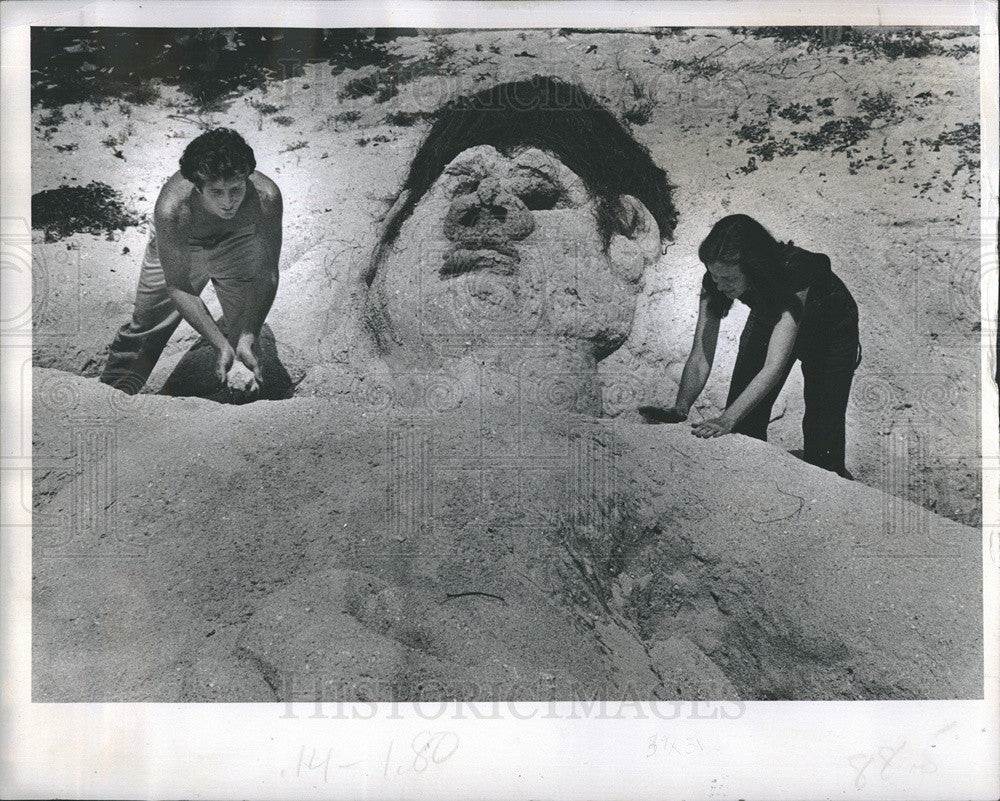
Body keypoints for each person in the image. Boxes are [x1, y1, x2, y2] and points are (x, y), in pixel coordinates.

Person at [640, 214, 861, 478]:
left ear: (754, 268)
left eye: (729, 280)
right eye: (714, 276)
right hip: (770, 315)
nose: (719, 285)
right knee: (744, 425)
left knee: (823, 439)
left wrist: (726, 418)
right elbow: (701, 354)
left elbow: (773, 366)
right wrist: (681, 408)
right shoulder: (719, 277)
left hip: (830, 331)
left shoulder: (796, 271)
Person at [99, 127, 282, 397]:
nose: (229, 202)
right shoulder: (172, 209)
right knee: (147, 327)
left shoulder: (266, 198)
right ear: (197, 188)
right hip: (185, 242)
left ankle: (238, 416)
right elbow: (179, 286)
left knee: (244, 335)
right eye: (217, 192)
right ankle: (113, 399)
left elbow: (267, 274)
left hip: (237, 242)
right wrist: (217, 344)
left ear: (247, 178)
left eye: (236, 189)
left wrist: (248, 334)